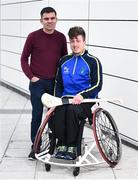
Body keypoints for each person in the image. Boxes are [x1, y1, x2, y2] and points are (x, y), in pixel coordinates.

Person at [46, 26, 103, 160]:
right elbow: (58, 84)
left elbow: (97, 84)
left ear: (84, 42)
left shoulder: (93, 61)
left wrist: (82, 95)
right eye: (72, 41)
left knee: (72, 110)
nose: (75, 44)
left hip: (85, 101)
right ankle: (62, 144)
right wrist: (55, 103)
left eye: (78, 41)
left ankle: (72, 145)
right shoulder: (64, 60)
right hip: (66, 99)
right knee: (59, 111)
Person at [20, 7, 68, 160]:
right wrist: (31, 77)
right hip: (38, 84)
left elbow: (64, 60)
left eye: (52, 18)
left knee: (55, 115)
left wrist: (63, 80)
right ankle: (35, 146)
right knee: (36, 115)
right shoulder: (33, 36)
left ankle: (54, 144)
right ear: (41, 20)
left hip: (54, 84)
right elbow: (23, 59)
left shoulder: (60, 38)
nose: (49, 21)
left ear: (56, 19)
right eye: (46, 19)